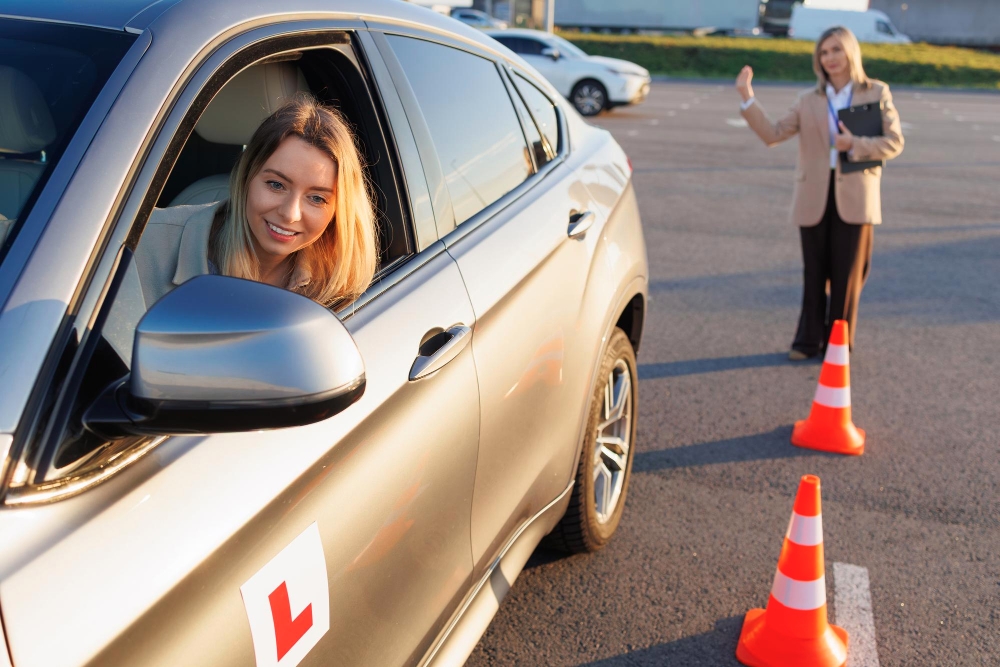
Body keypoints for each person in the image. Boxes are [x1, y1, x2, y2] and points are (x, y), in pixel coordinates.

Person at [735, 26, 903, 359]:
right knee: (813, 273)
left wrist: (854, 143)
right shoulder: (808, 100)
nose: (830, 58)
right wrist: (746, 96)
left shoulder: (875, 92)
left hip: (855, 197)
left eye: (836, 50)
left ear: (850, 51)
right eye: (824, 52)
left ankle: (838, 345)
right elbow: (772, 134)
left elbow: (894, 142)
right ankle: (807, 341)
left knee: (848, 276)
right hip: (813, 194)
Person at [135, 94, 378, 310]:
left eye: (317, 198)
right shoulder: (139, 242)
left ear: (338, 211)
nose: (290, 214)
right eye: (276, 185)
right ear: (246, 177)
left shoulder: (340, 289)